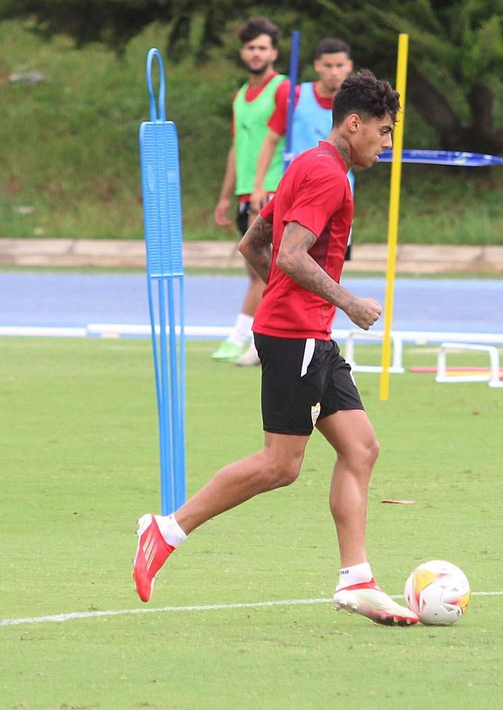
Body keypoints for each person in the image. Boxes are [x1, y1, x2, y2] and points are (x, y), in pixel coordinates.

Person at [134, 71, 418, 626]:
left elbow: (251, 242)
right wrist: (347, 304)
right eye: (383, 132)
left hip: (308, 331)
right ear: (354, 124)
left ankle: (356, 580)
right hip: (298, 336)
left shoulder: (308, 164)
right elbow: (288, 253)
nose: (387, 144)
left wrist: (291, 304)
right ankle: (165, 530)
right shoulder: (328, 178)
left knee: (361, 449)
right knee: (280, 465)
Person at [213, 16, 290, 366]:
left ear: (273, 51)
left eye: (262, 47)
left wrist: (264, 186)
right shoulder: (241, 95)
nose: (256, 53)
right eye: (250, 48)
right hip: (248, 191)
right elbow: (236, 148)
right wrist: (226, 196)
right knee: (255, 272)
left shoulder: (283, 88)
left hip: (271, 189)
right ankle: (257, 337)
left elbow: (281, 139)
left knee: (268, 269)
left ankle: (244, 338)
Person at [252, 37, 358, 258]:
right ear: (317, 66)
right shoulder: (296, 97)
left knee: (328, 265)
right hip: (298, 192)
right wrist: (259, 185)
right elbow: (271, 140)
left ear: (349, 66)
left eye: (340, 65)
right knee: (288, 258)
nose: (334, 72)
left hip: (336, 193)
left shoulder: (356, 105)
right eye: (328, 65)